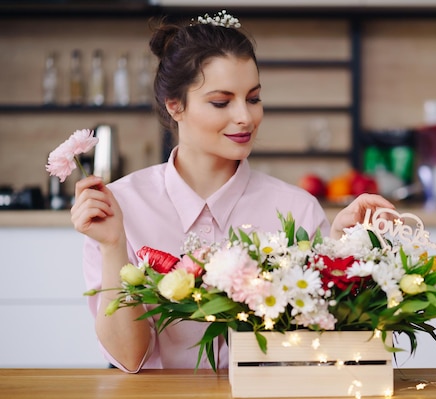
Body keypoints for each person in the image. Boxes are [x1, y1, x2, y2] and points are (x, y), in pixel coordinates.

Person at [71, 10, 394, 373]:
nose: (245, 117)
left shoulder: (296, 209)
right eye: (221, 102)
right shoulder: (122, 206)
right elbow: (129, 358)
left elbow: (320, 352)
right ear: (174, 105)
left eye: (253, 98)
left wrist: (342, 251)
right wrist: (113, 246)